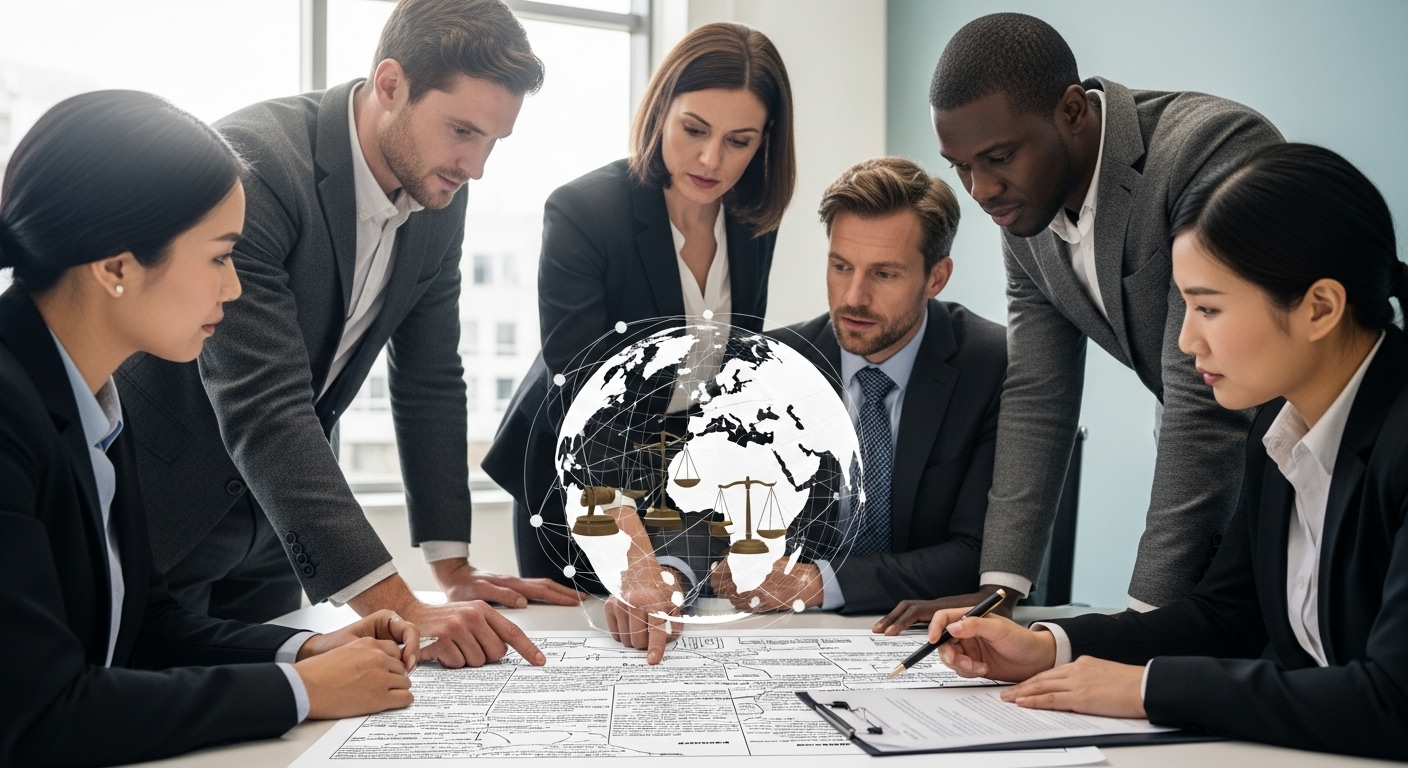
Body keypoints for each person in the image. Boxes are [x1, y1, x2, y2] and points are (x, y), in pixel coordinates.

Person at [115, 0, 580, 670]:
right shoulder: (256, 166)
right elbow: (265, 404)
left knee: (281, 708)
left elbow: (429, 376)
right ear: (390, 85)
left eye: (492, 142)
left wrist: (452, 567)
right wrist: (397, 603)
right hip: (163, 504)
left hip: (278, 532)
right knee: (155, 702)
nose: (474, 166)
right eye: (461, 131)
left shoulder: (439, 192)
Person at [926, 143, 1408, 761]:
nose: (1184, 340)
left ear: (1320, 308)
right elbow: (1227, 618)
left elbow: (1394, 701)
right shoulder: (1281, 428)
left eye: (1207, 308)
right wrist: (1048, 647)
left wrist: (1147, 689)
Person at [0, 90, 428, 768]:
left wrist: (309, 650)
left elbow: (147, 627)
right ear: (115, 267)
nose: (233, 289)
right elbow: (39, 714)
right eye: (220, 257)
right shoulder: (9, 416)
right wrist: (300, 692)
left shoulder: (94, 401)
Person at [899, 13, 1284, 622]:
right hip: (1218, 477)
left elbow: (1199, 397)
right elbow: (1038, 392)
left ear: (1073, 111)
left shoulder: (1209, 149)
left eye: (998, 157)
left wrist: (1141, 623)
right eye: (961, 166)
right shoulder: (1026, 207)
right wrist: (999, 588)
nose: (980, 190)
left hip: (1314, 462)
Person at [481, 21, 795, 663]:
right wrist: (631, 554)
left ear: (765, 143)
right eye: (694, 130)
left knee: (677, 655)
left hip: (676, 480)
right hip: (578, 479)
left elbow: (732, 379)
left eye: (739, 141)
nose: (711, 161)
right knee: (580, 660)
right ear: (660, 112)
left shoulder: (752, 224)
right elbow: (585, 399)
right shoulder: (584, 213)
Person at [692, 157, 1005, 619]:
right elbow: (700, 515)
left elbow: (981, 558)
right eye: (841, 266)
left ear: (936, 277)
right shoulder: (768, 365)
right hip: (787, 635)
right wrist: (670, 571)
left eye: (884, 274)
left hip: (929, 633)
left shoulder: (991, 365)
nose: (854, 297)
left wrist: (818, 582)